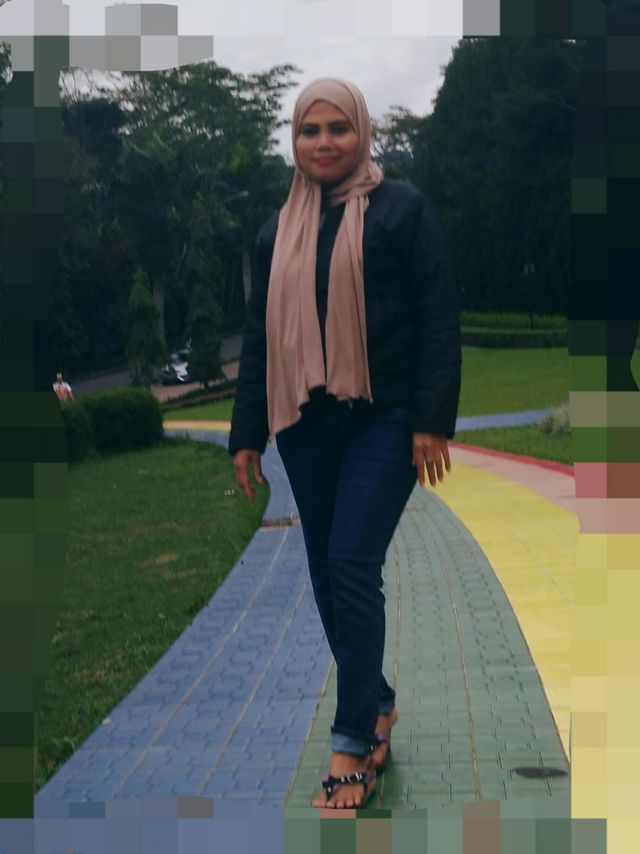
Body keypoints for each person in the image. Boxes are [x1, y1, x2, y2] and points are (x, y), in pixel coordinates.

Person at [228, 78, 461, 809]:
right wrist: (247, 435)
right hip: (306, 423)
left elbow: (437, 315)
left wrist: (431, 419)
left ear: (362, 133)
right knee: (328, 574)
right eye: (310, 130)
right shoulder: (276, 231)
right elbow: (262, 339)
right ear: (294, 141)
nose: (324, 143)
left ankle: (353, 738)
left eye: (339, 129)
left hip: (384, 416)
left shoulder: (400, 210)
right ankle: (378, 702)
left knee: (352, 563)